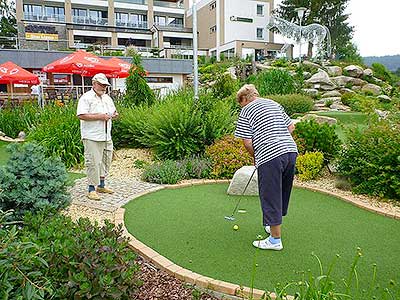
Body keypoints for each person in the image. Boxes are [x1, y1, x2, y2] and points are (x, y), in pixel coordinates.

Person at [234, 84, 298, 251]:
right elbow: (291, 127)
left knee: (270, 194)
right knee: (282, 191)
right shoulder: (274, 104)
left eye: (240, 103)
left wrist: (257, 156)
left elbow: (247, 142)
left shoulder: (246, 110)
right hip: (290, 151)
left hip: (271, 156)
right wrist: (278, 140)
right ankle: (272, 225)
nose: (241, 106)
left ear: (244, 99)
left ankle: (275, 240)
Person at [77, 73, 118, 200]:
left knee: (106, 160)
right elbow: (81, 115)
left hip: (106, 135)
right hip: (91, 136)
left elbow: (113, 112)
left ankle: (101, 185)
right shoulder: (86, 98)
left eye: (105, 85)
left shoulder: (107, 98)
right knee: (93, 162)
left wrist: (115, 114)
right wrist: (100, 116)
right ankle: (91, 189)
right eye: (101, 84)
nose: (103, 87)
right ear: (94, 83)